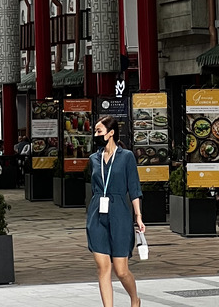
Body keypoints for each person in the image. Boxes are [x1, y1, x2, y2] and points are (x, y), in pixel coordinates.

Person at [86, 116, 144, 307]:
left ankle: (135, 299)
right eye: (95, 131)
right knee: (103, 268)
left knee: (121, 270)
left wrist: (138, 216)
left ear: (111, 133)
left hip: (119, 213)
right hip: (97, 214)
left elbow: (134, 188)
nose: (96, 134)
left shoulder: (126, 157)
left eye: (99, 131)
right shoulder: (93, 159)